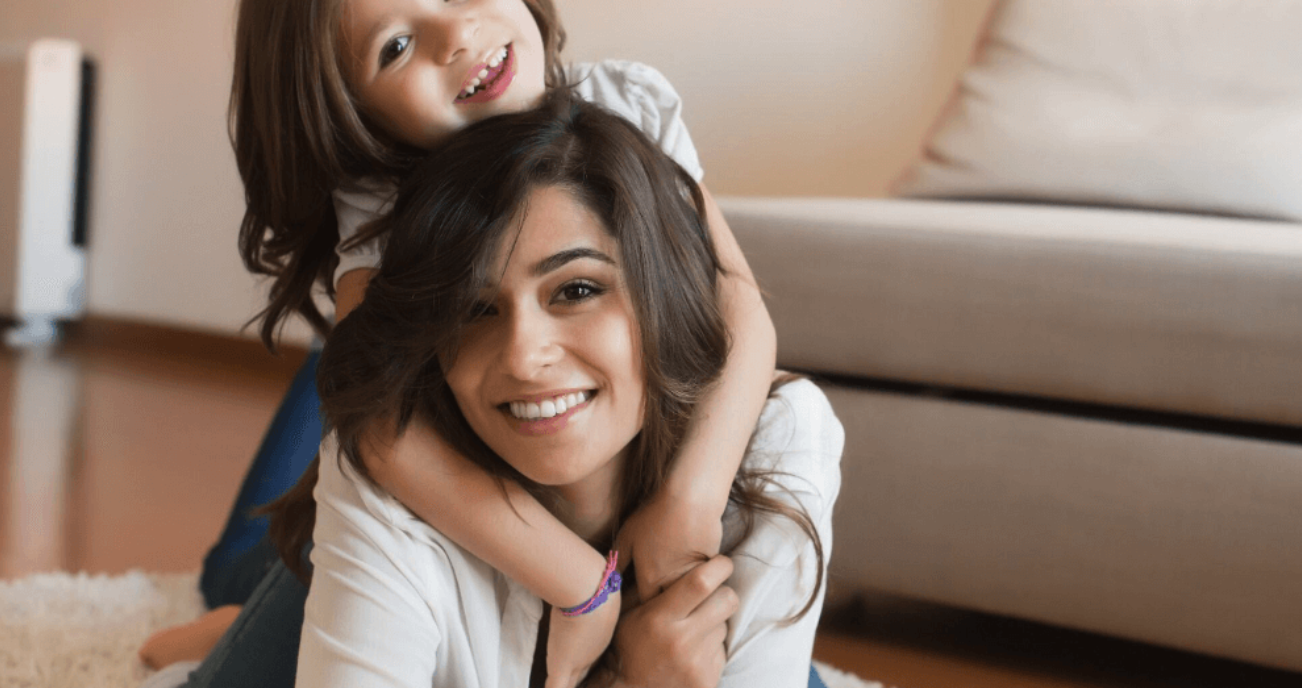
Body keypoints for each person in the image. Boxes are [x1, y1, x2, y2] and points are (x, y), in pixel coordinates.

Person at [140, 0, 779, 684]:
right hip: (437, 496)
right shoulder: (381, 200)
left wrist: (688, 504)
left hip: (551, 489)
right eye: (395, 47)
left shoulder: (621, 107)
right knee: (350, 396)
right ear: (356, 116)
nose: (457, 35)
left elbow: (738, 302)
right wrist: (581, 585)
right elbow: (376, 424)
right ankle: (231, 599)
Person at [289, 90, 840, 686]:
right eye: (476, 310)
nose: (525, 358)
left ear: (665, 293)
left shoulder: (776, 438)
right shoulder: (392, 471)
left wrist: (689, 502)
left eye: (576, 290)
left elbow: (739, 299)